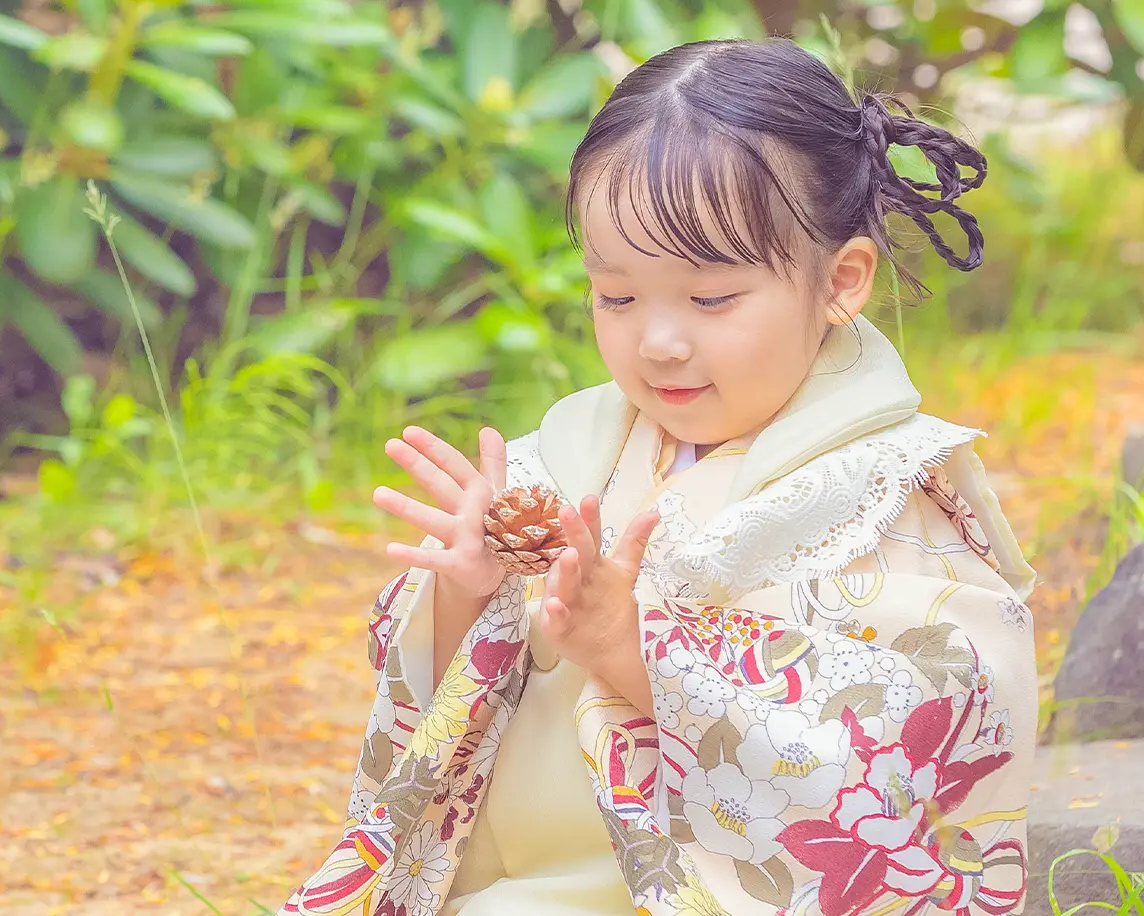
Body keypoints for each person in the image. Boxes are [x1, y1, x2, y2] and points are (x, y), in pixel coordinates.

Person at [282, 37, 1038, 916]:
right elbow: (442, 719)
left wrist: (638, 653)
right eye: (618, 296)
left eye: (711, 298)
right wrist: (469, 596)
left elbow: (918, 735)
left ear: (841, 280)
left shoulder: (880, 491)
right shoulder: (567, 454)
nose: (660, 341)